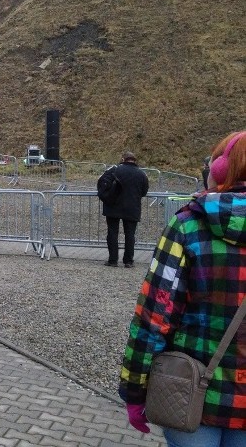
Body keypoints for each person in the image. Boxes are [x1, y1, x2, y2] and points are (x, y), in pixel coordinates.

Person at [119, 131, 246, 445]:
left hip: (189, 392)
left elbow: (153, 317)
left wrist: (134, 390)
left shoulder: (189, 225)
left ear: (219, 170)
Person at [101, 152, 149, 268]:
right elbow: (144, 192)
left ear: (123, 159)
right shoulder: (142, 174)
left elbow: (103, 184)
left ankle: (113, 260)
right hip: (132, 207)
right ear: (134, 160)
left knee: (112, 233)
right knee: (130, 234)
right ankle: (128, 261)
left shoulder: (114, 170)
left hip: (113, 206)